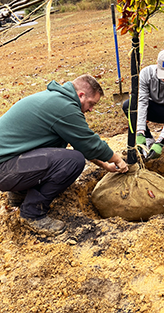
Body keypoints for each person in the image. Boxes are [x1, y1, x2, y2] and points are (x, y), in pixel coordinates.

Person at [0, 74, 128, 235]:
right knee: (72, 161)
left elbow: (79, 143)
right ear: (81, 95)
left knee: (60, 156)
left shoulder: (56, 98)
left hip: (10, 160)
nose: (91, 109)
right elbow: (89, 143)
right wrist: (117, 159)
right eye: (91, 104)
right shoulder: (64, 108)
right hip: (4, 168)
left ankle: (19, 193)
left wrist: (104, 165)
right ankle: (32, 213)